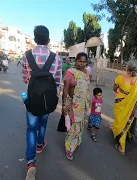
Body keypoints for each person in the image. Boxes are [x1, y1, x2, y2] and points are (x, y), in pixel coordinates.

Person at [21, 25, 63, 180]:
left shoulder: (26, 55)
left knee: (31, 128)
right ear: (48, 40)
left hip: (32, 99)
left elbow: (25, 78)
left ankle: (31, 163)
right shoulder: (56, 57)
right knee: (43, 122)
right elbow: (58, 81)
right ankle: (40, 144)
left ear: (34, 39)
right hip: (47, 99)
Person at [112, 60, 137, 155]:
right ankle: (128, 136)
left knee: (119, 121)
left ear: (126, 68)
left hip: (119, 103)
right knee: (127, 122)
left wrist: (121, 91)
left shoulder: (119, 78)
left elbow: (114, 88)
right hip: (133, 107)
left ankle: (122, 147)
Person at [62, 52, 90, 161]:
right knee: (74, 127)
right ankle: (69, 148)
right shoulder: (70, 73)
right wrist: (63, 106)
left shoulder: (87, 73)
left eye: (84, 62)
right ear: (76, 61)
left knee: (80, 125)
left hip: (82, 105)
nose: (82, 64)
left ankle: (76, 141)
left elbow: (87, 89)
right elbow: (65, 90)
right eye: (80, 61)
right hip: (72, 105)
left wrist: (88, 104)